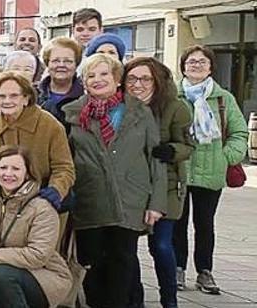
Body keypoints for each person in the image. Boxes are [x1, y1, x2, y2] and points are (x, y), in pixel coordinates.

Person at [62, 53, 165, 308]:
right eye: (91, 75)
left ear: (117, 78)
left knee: (123, 265)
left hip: (130, 199)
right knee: (93, 267)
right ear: (84, 81)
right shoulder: (72, 113)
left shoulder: (139, 111)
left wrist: (157, 202)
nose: (98, 80)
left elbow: (156, 157)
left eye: (104, 74)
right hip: (91, 200)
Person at [174, 45, 249, 295]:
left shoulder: (223, 98)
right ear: (183, 66)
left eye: (202, 62)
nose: (196, 65)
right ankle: (177, 268)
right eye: (191, 61)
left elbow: (239, 132)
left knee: (205, 224)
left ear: (210, 67)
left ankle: (204, 271)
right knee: (177, 222)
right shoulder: (173, 96)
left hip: (211, 171)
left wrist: (226, 157)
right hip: (179, 171)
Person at [125, 57, 195, 308]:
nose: (138, 84)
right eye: (132, 79)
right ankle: (135, 299)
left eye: (145, 79)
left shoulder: (176, 108)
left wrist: (171, 150)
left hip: (167, 185)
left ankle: (170, 300)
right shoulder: (121, 107)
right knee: (127, 248)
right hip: (132, 187)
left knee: (161, 246)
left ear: (157, 81)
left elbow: (188, 146)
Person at [0, 146, 73, 308]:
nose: (8, 174)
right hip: (5, 272)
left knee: (2, 275)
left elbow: (38, 255)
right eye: (3, 167)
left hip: (45, 274)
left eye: (16, 168)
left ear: (27, 173)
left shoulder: (42, 207)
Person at [0, 72, 74, 214]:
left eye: (14, 96)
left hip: (45, 203)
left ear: (26, 98)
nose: (7, 101)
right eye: (2, 96)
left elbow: (64, 168)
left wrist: (56, 189)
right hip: (4, 208)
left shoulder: (50, 126)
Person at [38, 37, 84, 127]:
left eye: (68, 61)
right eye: (56, 61)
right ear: (47, 63)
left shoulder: (85, 97)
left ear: (76, 64)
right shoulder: (33, 95)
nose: (61, 65)